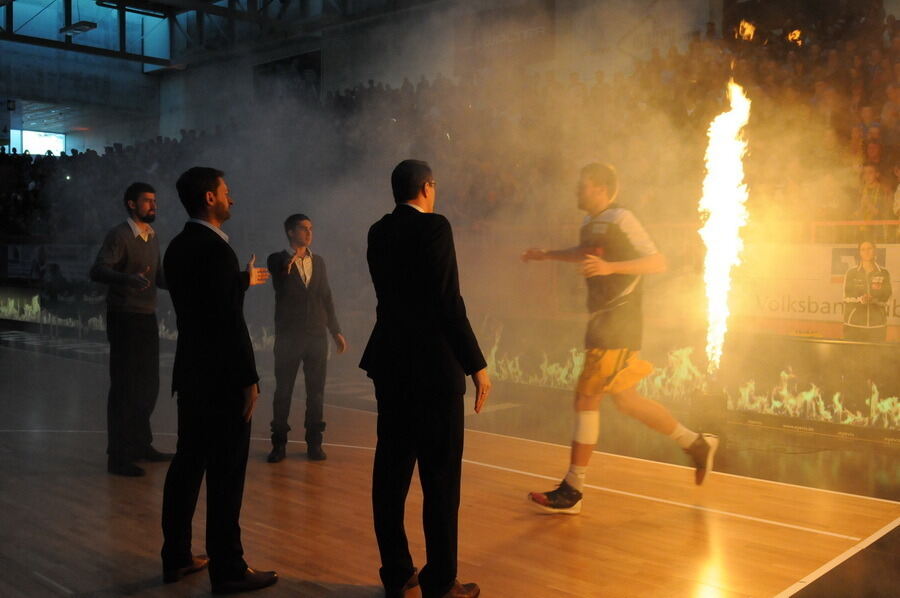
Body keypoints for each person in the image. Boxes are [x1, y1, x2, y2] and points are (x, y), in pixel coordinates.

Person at [522, 163, 718, 515]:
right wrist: (548, 255)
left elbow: (657, 262)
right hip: (603, 320)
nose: (577, 192)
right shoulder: (589, 223)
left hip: (620, 320)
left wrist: (613, 268)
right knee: (626, 401)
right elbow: (586, 254)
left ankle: (573, 488)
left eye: (583, 186)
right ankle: (696, 443)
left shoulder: (622, 218)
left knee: (586, 395)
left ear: (599, 188)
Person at [360, 160, 490, 598]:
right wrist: (476, 364)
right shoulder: (435, 228)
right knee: (440, 479)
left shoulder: (378, 232)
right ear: (427, 187)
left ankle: (396, 571)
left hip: (390, 364)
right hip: (434, 368)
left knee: (391, 474)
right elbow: (447, 301)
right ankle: (440, 581)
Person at [160, 167, 277, 593]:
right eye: (227, 192)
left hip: (191, 373)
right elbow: (227, 321)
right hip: (223, 378)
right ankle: (228, 568)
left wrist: (238, 281)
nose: (233, 198)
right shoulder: (215, 250)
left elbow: (208, 304)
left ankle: (175, 556)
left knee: (187, 464)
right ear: (210, 198)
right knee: (226, 475)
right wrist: (249, 377)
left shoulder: (176, 247)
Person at [89, 182, 170, 477]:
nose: (154, 205)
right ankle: (118, 456)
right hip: (124, 317)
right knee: (125, 387)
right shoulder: (120, 235)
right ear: (131, 204)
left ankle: (140, 444)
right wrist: (127, 279)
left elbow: (159, 277)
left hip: (146, 316)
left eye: (155, 200)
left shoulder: (153, 235)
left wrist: (187, 281)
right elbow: (97, 270)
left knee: (149, 386)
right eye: (148, 200)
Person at [266, 213, 347, 463]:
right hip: (289, 336)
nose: (309, 232)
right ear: (291, 232)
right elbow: (278, 280)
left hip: (316, 336)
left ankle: (314, 443)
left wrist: (335, 330)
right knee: (284, 392)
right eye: (304, 228)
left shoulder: (318, 262)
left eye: (311, 228)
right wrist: (286, 267)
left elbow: (326, 297)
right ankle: (279, 444)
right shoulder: (277, 259)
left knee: (316, 392)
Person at [843, 240, 892, 341]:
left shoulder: (884, 273)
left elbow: (888, 296)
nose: (866, 252)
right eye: (863, 249)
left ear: (875, 251)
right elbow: (846, 297)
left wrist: (875, 301)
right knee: (851, 356)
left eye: (869, 248)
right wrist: (860, 299)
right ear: (859, 253)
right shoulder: (851, 272)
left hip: (877, 325)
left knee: (876, 356)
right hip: (853, 324)